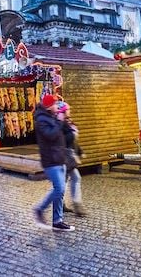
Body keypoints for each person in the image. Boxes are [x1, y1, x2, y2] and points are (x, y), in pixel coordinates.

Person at [32, 94, 74, 232]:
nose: (58, 106)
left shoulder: (53, 117)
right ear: (49, 106)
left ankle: (57, 221)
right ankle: (39, 209)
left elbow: (67, 135)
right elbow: (51, 135)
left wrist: (65, 119)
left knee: (60, 191)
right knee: (59, 188)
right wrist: (60, 122)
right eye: (56, 104)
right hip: (50, 160)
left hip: (59, 158)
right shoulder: (41, 120)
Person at [59, 102, 86, 217]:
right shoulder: (59, 124)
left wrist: (80, 151)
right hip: (63, 157)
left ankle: (68, 204)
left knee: (70, 179)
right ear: (63, 111)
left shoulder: (68, 122)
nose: (70, 111)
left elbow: (73, 141)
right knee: (68, 180)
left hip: (68, 156)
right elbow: (63, 140)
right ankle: (75, 205)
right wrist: (73, 133)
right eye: (68, 109)